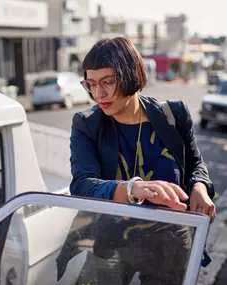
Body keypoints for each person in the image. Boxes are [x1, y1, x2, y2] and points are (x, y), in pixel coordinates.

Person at [68, 37, 216, 285]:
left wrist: (199, 187)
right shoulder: (86, 124)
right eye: (91, 84)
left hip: (171, 240)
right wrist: (130, 189)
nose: (98, 93)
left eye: (108, 82)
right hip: (110, 240)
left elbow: (196, 165)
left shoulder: (173, 115)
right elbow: (81, 185)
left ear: (132, 75)